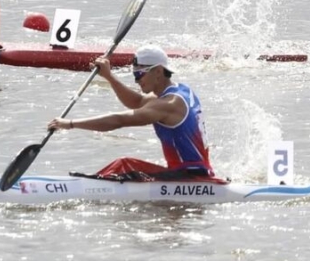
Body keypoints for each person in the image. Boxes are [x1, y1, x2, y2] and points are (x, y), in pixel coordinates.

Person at [47, 45, 214, 180]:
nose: (136, 80)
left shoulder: (168, 104)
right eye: (135, 74)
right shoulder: (179, 91)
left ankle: (87, 187)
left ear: (158, 71)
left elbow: (118, 120)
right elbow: (137, 102)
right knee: (126, 166)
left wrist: (70, 124)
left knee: (125, 165)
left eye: (139, 74)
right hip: (192, 172)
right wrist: (109, 76)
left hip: (189, 177)